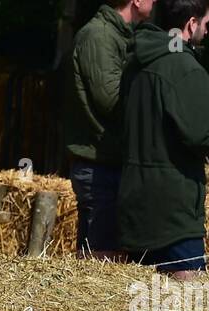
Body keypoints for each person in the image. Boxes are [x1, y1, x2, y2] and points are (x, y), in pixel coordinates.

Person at [117, 0, 209, 280]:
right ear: (191, 24)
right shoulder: (186, 68)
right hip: (174, 218)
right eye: (206, 24)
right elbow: (201, 136)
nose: (207, 32)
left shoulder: (134, 63)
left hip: (134, 206)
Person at [64, 0, 154, 258]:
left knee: (108, 264)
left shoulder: (117, 35)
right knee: (98, 265)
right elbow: (112, 100)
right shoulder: (98, 36)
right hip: (98, 167)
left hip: (110, 163)